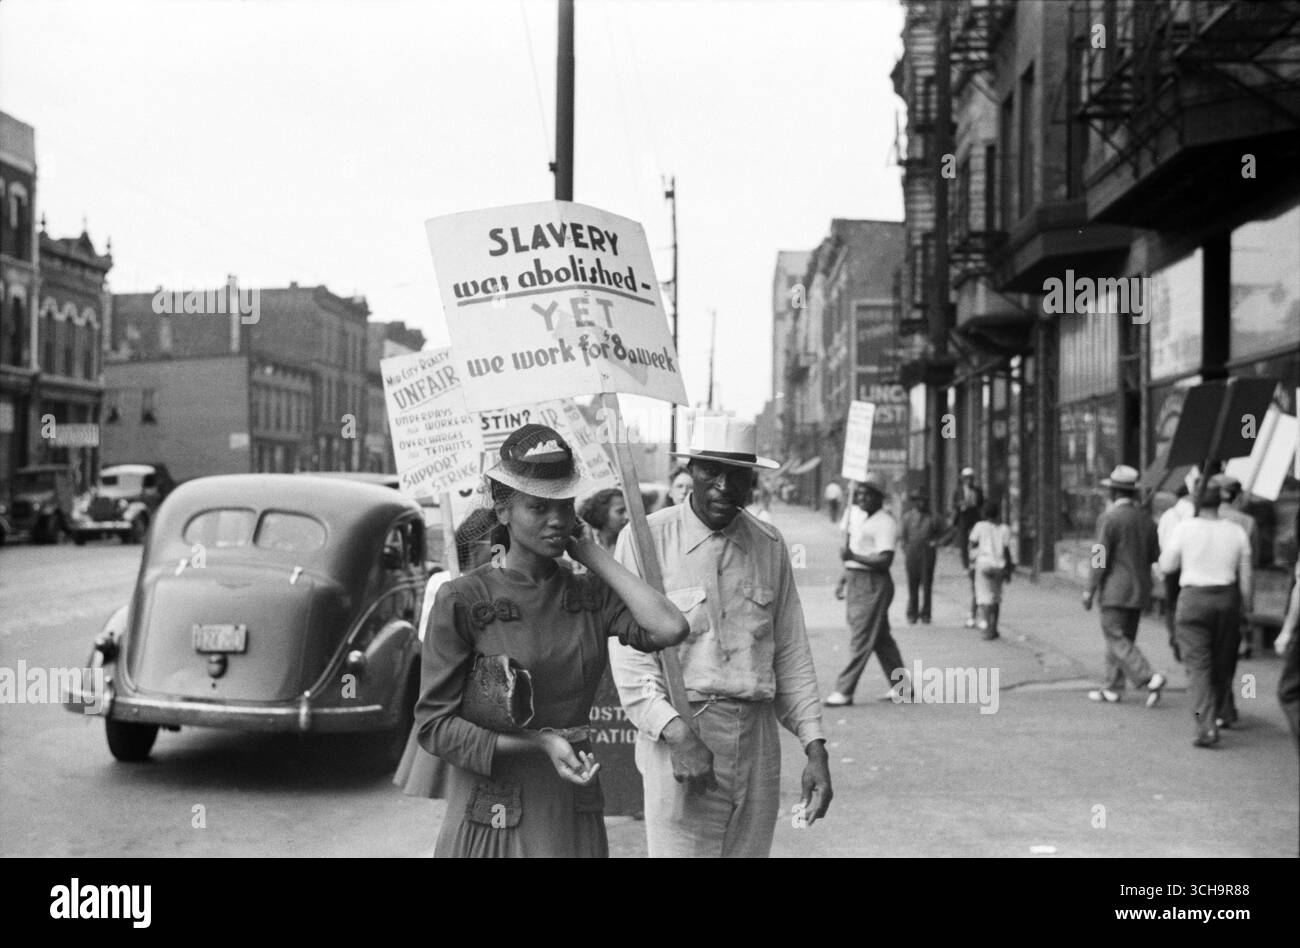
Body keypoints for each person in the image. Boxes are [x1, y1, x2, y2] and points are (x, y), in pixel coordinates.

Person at [414, 424, 689, 857]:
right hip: (498, 812)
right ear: (503, 511)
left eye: (565, 505)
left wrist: (594, 556)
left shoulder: (589, 592)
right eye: (539, 507)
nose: (557, 520)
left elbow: (671, 628)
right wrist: (539, 742)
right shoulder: (463, 599)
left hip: (571, 805)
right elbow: (434, 728)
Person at [608, 415, 832, 858]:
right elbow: (630, 662)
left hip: (756, 740)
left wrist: (815, 747)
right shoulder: (644, 541)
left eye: (739, 475)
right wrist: (676, 734)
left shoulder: (768, 545)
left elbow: (790, 653)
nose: (724, 486)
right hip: (682, 729)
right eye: (712, 471)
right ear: (690, 471)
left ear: (753, 480)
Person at [1158, 473, 1253, 748]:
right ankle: (1223, 712)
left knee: (1198, 669)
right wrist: (1246, 609)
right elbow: (1246, 579)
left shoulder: (1184, 529)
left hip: (1193, 602)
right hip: (1227, 601)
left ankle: (1205, 724)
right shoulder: (1236, 532)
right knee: (1223, 665)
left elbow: (1167, 566)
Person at [1082, 464, 1167, 707]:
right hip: (1140, 589)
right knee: (1122, 640)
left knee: (1116, 639)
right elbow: (1154, 555)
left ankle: (1148, 676)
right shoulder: (1147, 520)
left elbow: (1099, 557)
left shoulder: (1109, 519)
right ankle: (1111, 686)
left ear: (1114, 493)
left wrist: (1090, 589)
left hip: (1115, 590)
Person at [824, 471, 910, 706]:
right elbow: (854, 555)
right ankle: (902, 688)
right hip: (857, 580)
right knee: (881, 638)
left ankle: (844, 689)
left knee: (862, 636)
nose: (861, 498)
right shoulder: (861, 518)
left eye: (866, 494)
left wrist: (853, 556)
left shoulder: (885, 522)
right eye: (859, 493)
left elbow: (885, 560)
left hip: (873, 583)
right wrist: (844, 578)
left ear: (878, 497)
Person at [1216, 474, 1261, 658]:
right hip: (1238, 575)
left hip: (1210, 579)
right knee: (1240, 611)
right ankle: (1243, 643)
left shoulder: (1202, 518)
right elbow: (1253, 559)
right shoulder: (1247, 522)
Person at [1156, 482, 1194, 661]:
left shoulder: (1167, 516)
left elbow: (1099, 549)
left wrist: (1095, 579)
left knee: (1172, 606)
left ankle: (1175, 639)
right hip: (1189, 567)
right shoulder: (1195, 513)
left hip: (1170, 569)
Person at [967, 499, 1015, 640]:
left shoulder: (980, 526)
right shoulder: (1005, 529)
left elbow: (972, 544)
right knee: (996, 597)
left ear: (984, 513)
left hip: (984, 565)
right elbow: (1007, 551)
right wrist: (1009, 570)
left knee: (984, 597)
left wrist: (971, 562)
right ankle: (994, 627)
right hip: (998, 566)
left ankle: (988, 627)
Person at [899, 487, 942, 624]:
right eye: (919, 501)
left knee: (927, 585)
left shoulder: (934, 517)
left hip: (927, 553)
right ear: (915, 502)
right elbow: (903, 537)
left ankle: (926, 613)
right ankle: (912, 613)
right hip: (912, 553)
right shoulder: (907, 517)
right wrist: (906, 549)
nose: (922, 503)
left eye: (924, 501)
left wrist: (937, 542)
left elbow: (949, 532)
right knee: (913, 585)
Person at [951, 467, 985, 628]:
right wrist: (960, 505)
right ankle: (966, 563)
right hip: (963, 519)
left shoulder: (977, 490)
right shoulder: (958, 490)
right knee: (964, 544)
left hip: (973, 519)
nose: (969, 481)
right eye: (966, 478)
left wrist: (973, 503)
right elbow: (954, 503)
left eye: (970, 478)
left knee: (975, 541)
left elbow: (981, 503)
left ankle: (974, 558)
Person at [579, 487, 628, 552]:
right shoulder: (586, 542)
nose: (627, 517)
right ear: (602, 513)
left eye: (627, 511)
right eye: (620, 511)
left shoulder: (628, 543)